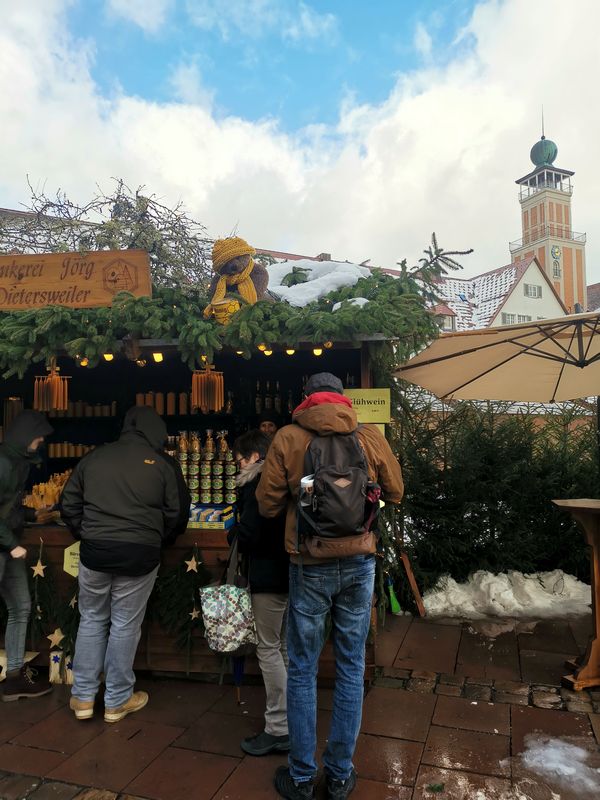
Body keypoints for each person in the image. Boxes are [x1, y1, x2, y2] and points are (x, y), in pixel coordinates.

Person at [256, 373, 403, 800]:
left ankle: (301, 777)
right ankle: (339, 775)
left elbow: (266, 505)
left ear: (306, 400)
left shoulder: (287, 437)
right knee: (351, 666)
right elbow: (395, 491)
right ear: (343, 399)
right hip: (359, 562)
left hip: (309, 561)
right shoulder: (369, 435)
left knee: (302, 668)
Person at [60, 406, 190, 723]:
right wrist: (162, 540)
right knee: (124, 624)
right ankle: (117, 700)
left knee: (91, 618)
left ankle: (83, 698)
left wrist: (85, 534)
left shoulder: (94, 458)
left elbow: (68, 504)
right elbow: (178, 513)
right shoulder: (163, 463)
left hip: (95, 552)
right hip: (140, 553)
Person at [230, 429, 289, 756]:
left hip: (268, 576)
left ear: (255, 456)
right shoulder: (284, 478)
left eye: (241, 458)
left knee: (268, 649)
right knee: (281, 648)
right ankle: (291, 720)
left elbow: (252, 534)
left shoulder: (257, 484)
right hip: (292, 573)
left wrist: (235, 533)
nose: (238, 465)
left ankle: (279, 729)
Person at [0, 410, 55, 701]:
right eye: (38, 435)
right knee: (19, 607)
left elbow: (7, 508)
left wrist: (34, 513)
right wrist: (11, 544)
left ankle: (14, 676)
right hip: (5, 547)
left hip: (6, 548)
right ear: (25, 435)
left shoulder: (16, 462)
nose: (41, 440)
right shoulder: (3, 463)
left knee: (21, 606)